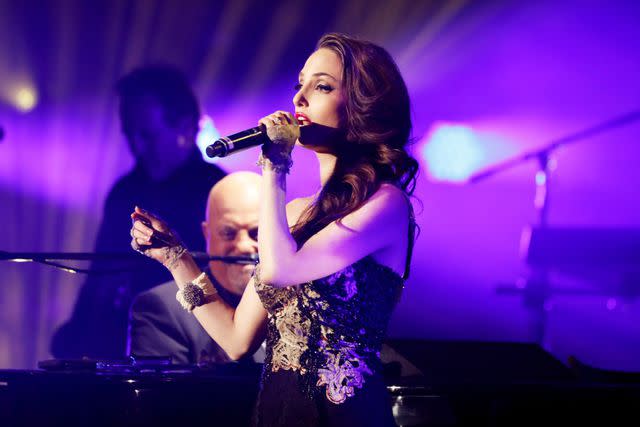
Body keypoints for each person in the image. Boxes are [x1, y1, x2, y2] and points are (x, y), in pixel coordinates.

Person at [130, 33, 417, 426]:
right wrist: (176, 259)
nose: (299, 98)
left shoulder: (385, 205)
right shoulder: (295, 215)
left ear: (363, 106)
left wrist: (275, 166)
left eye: (322, 86)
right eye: (299, 84)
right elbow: (235, 340)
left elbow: (282, 270)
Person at [52, 65, 226, 359]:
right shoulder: (124, 191)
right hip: (118, 346)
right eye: (129, 134)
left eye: (147, 134)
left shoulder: (218, 191)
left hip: (192, 347)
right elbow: (100, 275)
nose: (136, 146)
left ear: (184, 126)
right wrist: (75, 338)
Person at [127, 172, 263, 364]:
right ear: (207, 234)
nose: (243, 245)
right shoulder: (160, 308)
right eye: (228, 232)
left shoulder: (296, 296)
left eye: (256, 233)